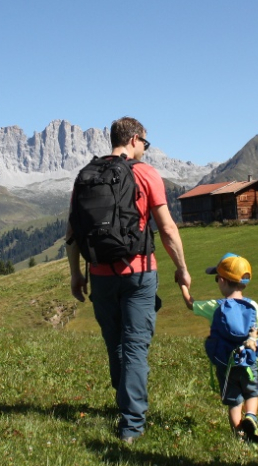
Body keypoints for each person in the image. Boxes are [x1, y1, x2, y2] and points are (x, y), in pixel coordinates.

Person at [67, 116, 192, 444]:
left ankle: (125, 403)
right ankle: (132, 424)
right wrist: (182, 268)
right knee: (135, 346)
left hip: (99, 274)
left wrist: (75, 274)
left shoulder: (86, 176)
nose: (146, 151)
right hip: (138, 273)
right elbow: (166, 228)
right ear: (135, 139)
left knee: (115, 343)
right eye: (145, 144)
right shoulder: (146, 174)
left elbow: (72, 234)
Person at [179, 253, 258, 443]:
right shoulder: (253, 306)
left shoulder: (215, 306)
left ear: (221, 280)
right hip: (248, 362)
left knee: (234, 402)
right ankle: (251, 416)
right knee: (252, 393)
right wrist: (257, 352)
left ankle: (239, 436)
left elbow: (190, 304)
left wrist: (182, 285)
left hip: (226, 365)